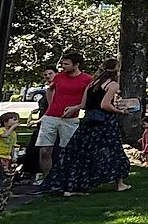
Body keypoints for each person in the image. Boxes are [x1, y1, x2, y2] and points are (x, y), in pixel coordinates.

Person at [43, 58, 132, 196]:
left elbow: (84, 104)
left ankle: (70, 185)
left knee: (80, 152)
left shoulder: (92, 83)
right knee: (113, 150)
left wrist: (74, 108)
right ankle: (119, 184)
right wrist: (120, 111)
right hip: (105, 122)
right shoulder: (112, 84)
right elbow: (105, 105)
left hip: (88, 121)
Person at [35, 53, 92, 184]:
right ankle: (47, 179)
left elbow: (88, 100)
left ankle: (66, 179)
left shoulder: (87, 79)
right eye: (62, 63)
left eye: (66, 64)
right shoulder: (59, 77)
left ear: (76, 65)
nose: (63, 66)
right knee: (45, 150)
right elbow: (50, 90)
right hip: (50, 117)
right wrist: (51, 106)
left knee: (68, 150)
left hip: (70, 119)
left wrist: (75, 108)